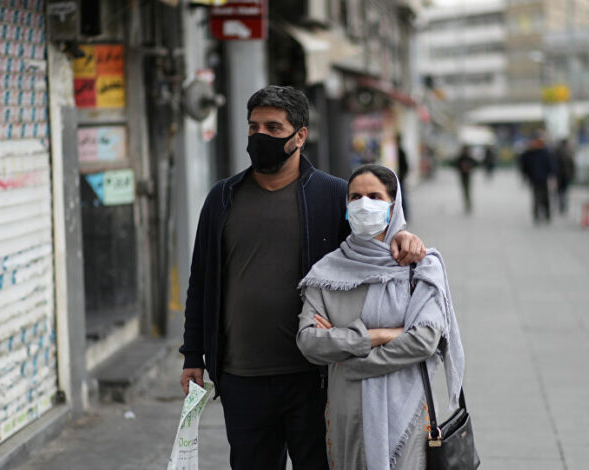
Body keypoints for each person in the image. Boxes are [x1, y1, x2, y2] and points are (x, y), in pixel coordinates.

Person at [178, 86, 426, 470]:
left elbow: (373, 248)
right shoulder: (222, 198)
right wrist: (193, 354)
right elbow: (201, 281)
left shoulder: (333, 195)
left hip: (316, 376)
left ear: (300, 136)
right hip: (241, 375)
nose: (260, 136)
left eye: (273, 128)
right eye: (254, 127)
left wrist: (404, 238)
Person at [296, 164, 465, 470]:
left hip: (408, 413)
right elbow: (309, 342)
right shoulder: (327, 273)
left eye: (374, 196)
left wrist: (348, 358)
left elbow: (424, 340)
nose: (364, 204)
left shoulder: (420, 267)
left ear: (393, 205)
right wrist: (380, 335)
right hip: (348, 414)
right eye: (355, 197)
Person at [520, 131, 554, 222]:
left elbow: (550, 164)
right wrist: (525, 176)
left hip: (543, 178)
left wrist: (552, 175)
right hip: (534, 178)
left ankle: (547, 214)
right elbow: (524, 165)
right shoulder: (529, 153)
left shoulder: (544, 152)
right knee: (536, 197)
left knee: (545, 197)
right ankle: (536, 215)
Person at [553, 138, 575, 214]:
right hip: (565, 175)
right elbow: (572, 165)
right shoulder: (568, 152)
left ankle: (561, 205)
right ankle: (563, 205)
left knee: (559, 191)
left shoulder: (556, 152)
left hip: (559, 176)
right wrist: (572, 175)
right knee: (564, 191)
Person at [454, 145, 478, 213]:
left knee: (468, 190)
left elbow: (475, 164)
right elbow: (456, 165)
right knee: (465, 191)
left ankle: (468, 204)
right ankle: (467, 203)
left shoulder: (469, 158)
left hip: (467, 176)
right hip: (462, 176)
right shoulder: (461, 158)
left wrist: (469, 167)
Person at [396, 134, 409, 218]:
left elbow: (406, 166)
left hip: (399, 177)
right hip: (398, 177)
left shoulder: (400, 151)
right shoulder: (396, 151)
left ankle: (404, 214)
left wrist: (402, 176)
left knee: (402, 196)